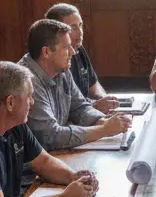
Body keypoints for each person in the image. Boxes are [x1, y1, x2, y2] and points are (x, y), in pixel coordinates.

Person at [0, 61, 99, 197]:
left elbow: (43, 161)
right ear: (10, 102)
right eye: (29, 96)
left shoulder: (12, 122)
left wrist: (73, 178)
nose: (32, 102)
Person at [20, 19, 131, 150]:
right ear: (46, 52)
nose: (73, 52)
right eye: (66, 47)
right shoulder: (27, 81)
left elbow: (79, 107)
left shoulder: (61, 69)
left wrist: (103, 121)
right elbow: (51, 136)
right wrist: (103, 130)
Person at [45, 2, 118, 114]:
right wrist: (95, 106)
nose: (80, 32)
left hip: (84, 112)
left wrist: (104, 99)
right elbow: (64, 110)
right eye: (73, 27)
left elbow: (92, 84)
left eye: (80, 25)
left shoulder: (79, 49)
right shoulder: (54, 60)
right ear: (57, 32)